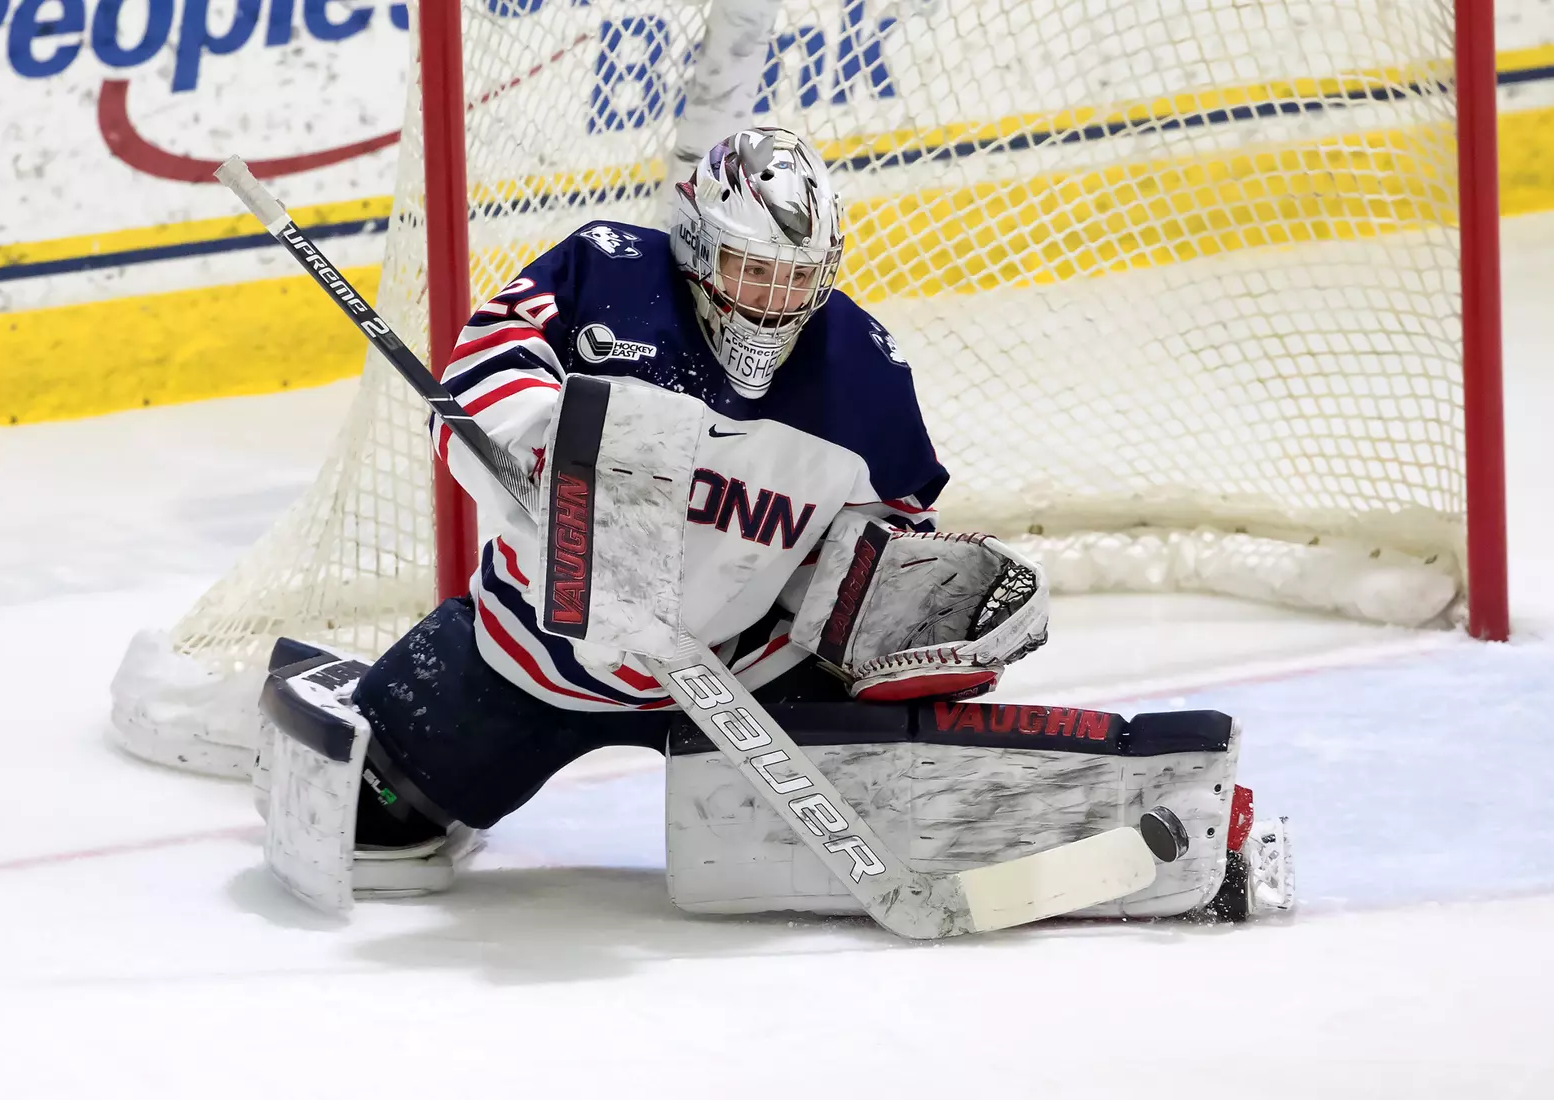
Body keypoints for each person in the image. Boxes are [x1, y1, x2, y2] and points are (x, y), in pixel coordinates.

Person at [253, 127, 1292, 925]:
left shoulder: (864, 378)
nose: (771, 303)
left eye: (796, 280)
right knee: (368, 826)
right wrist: (541, 434)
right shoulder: (610, 273)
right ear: (702, 249)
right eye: (754, 273)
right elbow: (486, 359)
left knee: (908, 797)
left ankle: (1168, 828)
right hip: (529, 657)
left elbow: (880, 551)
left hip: (740, 680)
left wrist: (910, 619)